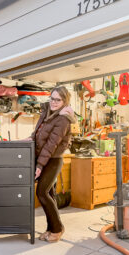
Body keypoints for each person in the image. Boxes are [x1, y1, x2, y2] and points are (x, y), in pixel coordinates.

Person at [26, 86, 76, 242]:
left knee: (42, 192)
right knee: (50, 194)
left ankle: (58, 228)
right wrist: (30, 139)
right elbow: (38, 133)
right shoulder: (47, 112)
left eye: (58, 100)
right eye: (52, 98)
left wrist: (40, 166)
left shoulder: (63, 118)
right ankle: (50, 228)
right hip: (43, 157)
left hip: (53, 160)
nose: (54, 102)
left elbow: (51, 144)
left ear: (64, 101)